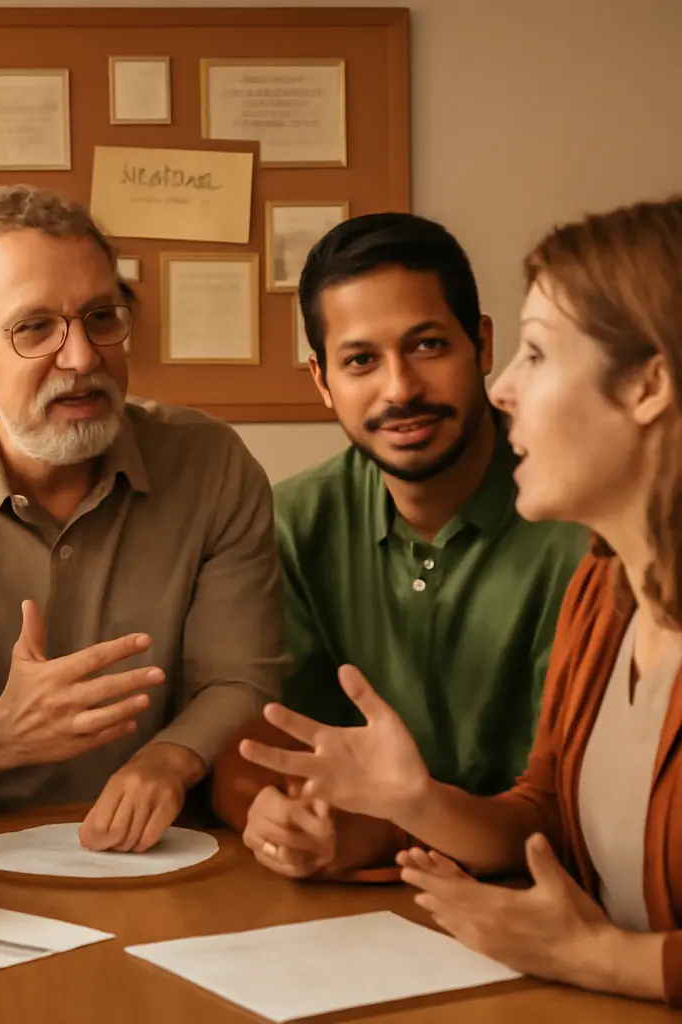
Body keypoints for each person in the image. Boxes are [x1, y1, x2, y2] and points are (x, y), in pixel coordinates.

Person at [239, 197, 682, 1005]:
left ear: (651, 384)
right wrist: (410, 802)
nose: (505, 387)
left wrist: (601, 958)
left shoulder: (576, 557)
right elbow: (542, 806)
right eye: (361, 360)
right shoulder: (608, 587)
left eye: (538, 356)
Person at [0, 184, 284, 852]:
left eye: (102, 318)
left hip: (161, 856)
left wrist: (169, 759)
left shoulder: (212, 467)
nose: (81, 358)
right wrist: (1, 734)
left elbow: (241, 679)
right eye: (35, 328)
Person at [212, 213, 587, 881]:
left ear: (482, 344)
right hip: (360, 911)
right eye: (361, 360)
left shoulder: (578, 522)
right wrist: (273, 817)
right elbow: (252, 742)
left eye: (427, 346)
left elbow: (566, 815)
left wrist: (386, 827)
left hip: (541, 894)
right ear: (322, 379)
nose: (400, 389)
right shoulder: (294, 521)